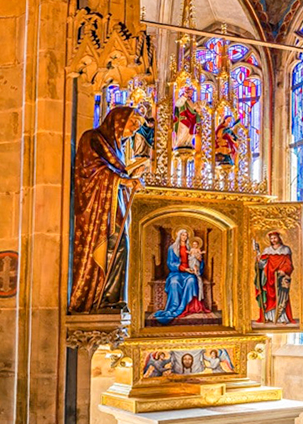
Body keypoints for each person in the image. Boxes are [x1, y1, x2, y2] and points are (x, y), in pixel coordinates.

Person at [69, 105, 147, 312]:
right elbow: (90, 171)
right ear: (119, 120)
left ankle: (112, 298)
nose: (133, 130)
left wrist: (130, 178)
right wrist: (123, 180)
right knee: (111, 245)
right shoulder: (92, 138)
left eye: (137, 127)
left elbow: (114, 173)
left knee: (122, 246)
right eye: (132, 124)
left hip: (114, 205)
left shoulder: (117, 149)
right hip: (98, 208)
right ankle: (98, 298)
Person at [155, 228, 204, 323]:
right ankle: (174, 306)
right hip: (176, 272)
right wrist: (183, 268)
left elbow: (197, 262)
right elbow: (170, 263)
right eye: (182, 235)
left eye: (186, 235)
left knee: (191, 281)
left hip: (189, 272)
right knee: (174, 282)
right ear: (179, 236)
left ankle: (184, 307)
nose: (184, 237)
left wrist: (198, 262)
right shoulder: (172, 248)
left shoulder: (191, 248)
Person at [255, 230, 295, 324]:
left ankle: (282, 318)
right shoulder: (267, 250)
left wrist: (283, 271)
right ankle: (269, 317)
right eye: (271, 238)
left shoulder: (285, 250)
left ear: (279, 238)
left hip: (280, 277)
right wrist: (258, 261)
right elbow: (262, 264)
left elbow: (289, 264)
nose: (273, 240)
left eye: (275, 238)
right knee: (268, 298)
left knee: (281, 297)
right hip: (268, 278)